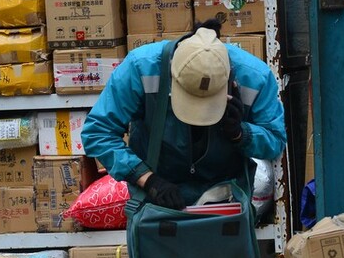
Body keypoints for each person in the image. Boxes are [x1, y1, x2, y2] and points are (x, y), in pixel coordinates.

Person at [82, 23, 286, 209]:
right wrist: (146, 178)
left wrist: (241, 133)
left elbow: (275, 140)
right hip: (156, 201)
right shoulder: (141, 67)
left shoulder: (255, 77)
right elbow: (98, 132)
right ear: (173, 76)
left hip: (227, 201)